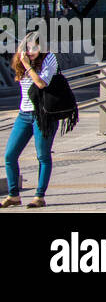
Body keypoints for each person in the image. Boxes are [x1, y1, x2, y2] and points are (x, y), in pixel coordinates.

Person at [4, 34, 57, 208]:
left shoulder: (49, 59)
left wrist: (27, 65)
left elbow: (41, 84)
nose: (30, 51)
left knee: (43, 155)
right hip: (24, 114)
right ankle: (13, 195)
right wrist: (24, 62)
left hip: (43, 115)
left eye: (35, 47)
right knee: (10, 155)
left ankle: (39, 196)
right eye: (27, 48)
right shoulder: (21, 61)